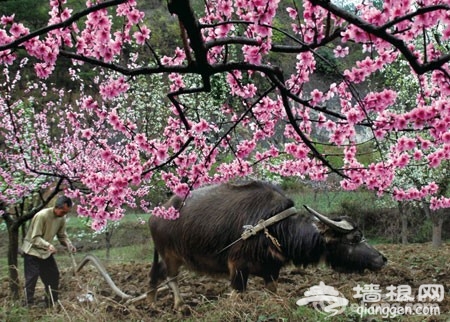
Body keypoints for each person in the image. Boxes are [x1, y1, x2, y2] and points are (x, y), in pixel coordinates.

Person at [21, 196, 77, 307]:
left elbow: (62, 235)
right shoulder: (42, 216)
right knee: (32, 277)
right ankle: (29, 304)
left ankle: (51, 301)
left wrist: (69, 244)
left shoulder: (61, 218)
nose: (64, 214)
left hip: (45, 252)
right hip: (32, 250)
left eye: (66, 212)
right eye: (63, 211)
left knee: (53, 275)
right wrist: (48, 245)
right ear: (57, 207)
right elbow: (35, 238)